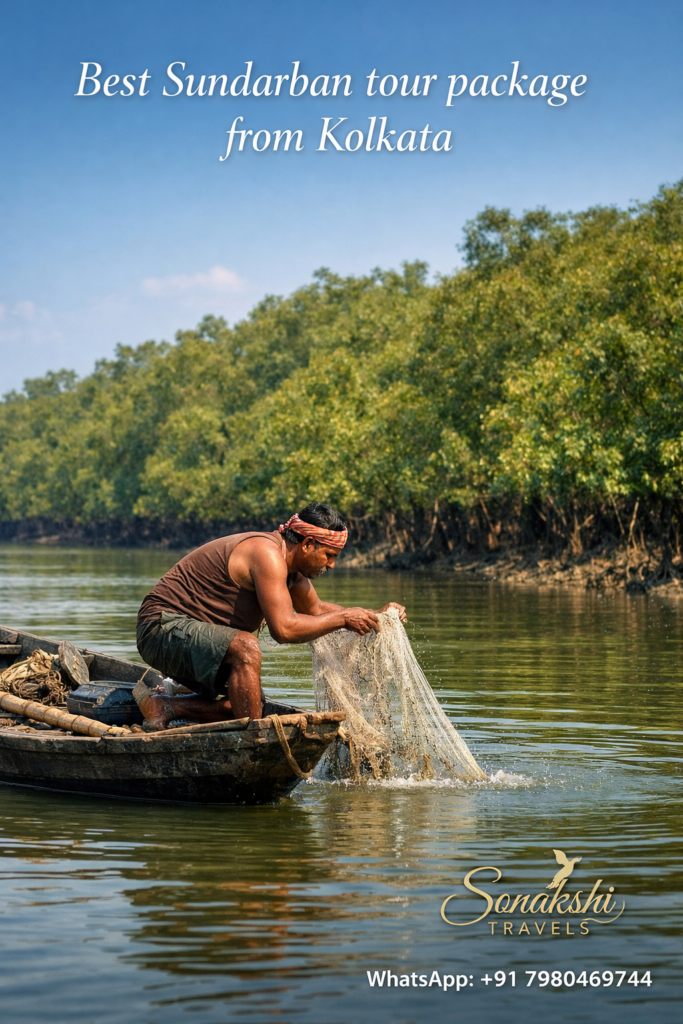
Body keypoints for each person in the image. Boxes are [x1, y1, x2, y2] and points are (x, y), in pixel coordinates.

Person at [135, 502, 406, 729]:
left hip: (193, 642)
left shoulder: (293, 574)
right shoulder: (267, 554)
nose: (332, 565)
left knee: (249, 703)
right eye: (329, 555)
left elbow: (316, 611)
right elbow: (284, 629)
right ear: (308, 544)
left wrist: (375, 616)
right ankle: (254, 741)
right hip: (160, 629)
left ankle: (166, 707)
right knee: (246, 647)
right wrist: (345, 619)